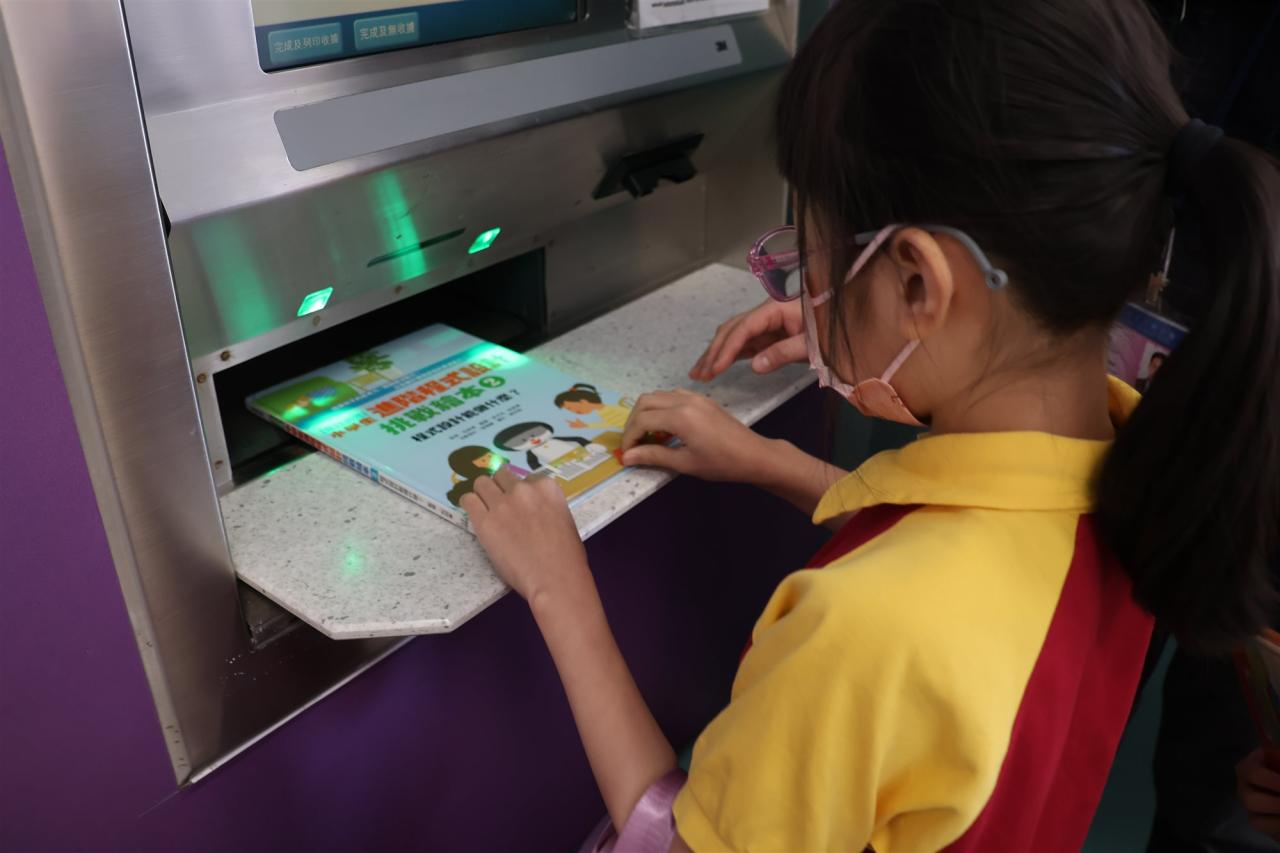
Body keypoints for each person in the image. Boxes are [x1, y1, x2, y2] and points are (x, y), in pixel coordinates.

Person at [459, 0, 1280, 849]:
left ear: (918, 284)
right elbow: (976, 561)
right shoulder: (1142, 465)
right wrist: (766, 459)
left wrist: (559, 588)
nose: (805, 294)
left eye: (808, 256)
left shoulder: (857, 634)